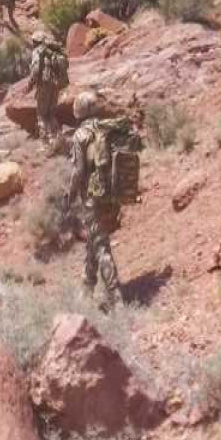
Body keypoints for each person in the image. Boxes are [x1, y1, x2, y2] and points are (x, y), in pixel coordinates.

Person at [67, 92, 141, 309]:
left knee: (101, 247)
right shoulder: (108, 129)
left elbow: (78, 171)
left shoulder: (81, 135)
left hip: (92, 198)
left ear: (79, 110)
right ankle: (87, 288)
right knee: (95, 239)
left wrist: (70, 195)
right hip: (112, 194)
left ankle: (116, 298)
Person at [25, 29, 68, 141]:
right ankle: (58, 138)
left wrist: (30, 84)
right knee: (51, 114)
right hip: (56, 84)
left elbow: (35, 70)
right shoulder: (54, 51)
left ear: (36, 41)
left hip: (44, 84)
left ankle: (46, 142)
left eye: (33, 41)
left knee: (42, 114)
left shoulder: (38, 51)